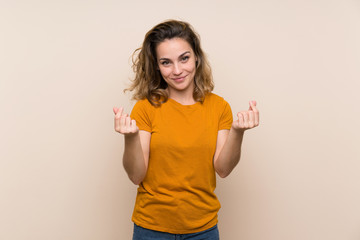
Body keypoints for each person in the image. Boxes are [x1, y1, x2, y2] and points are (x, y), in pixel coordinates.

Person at [113, 19, 259, 240]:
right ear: (157, 66)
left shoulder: (219, 107)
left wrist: (237, 132)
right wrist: (131, 137)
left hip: (203, 230)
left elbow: (223, 169)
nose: (177, 70)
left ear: (196, 57)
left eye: (184, 58)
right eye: (166, 62)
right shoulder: (145, 108)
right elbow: (136, 176)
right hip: (151, 229)